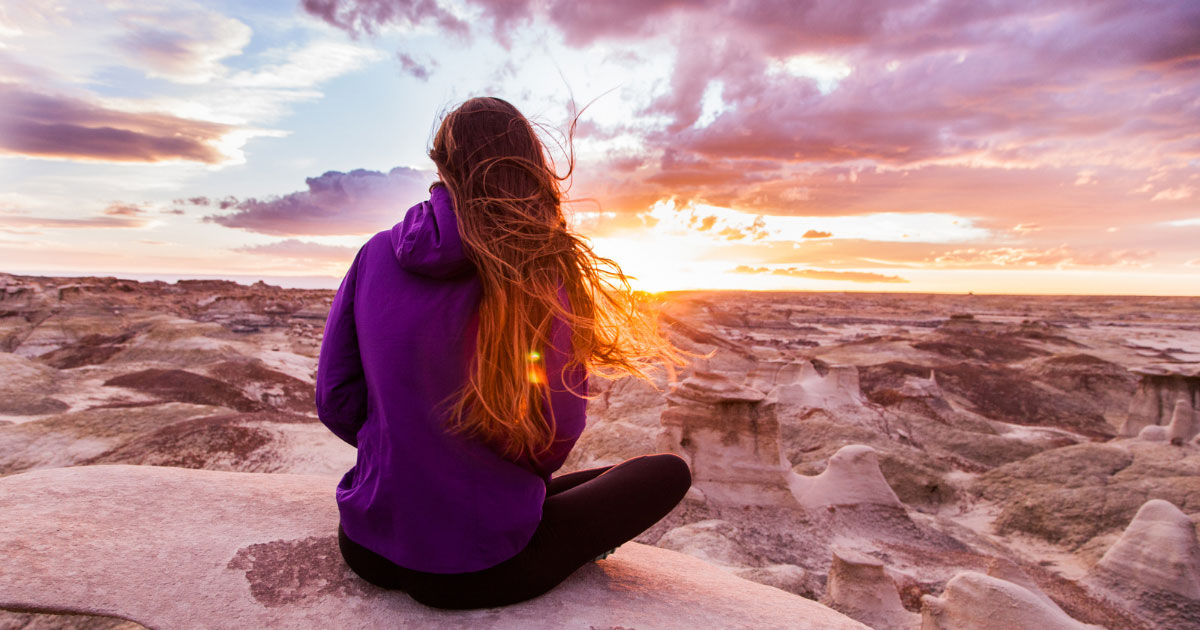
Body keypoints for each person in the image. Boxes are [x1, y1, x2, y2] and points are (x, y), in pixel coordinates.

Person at [316, 96, 695, 610]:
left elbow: (336, 398)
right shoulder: (536, 267)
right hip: (474, 568)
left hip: (365, 543)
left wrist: (407, 449)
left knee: (574, 486)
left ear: (441, 164)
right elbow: (554, 433)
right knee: (665, 473)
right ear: (531, 166)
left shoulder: (375, 252)